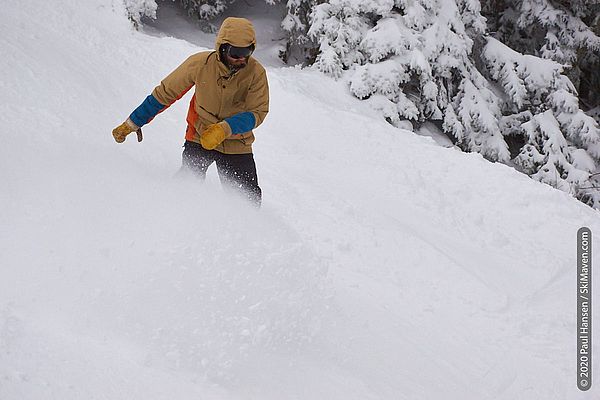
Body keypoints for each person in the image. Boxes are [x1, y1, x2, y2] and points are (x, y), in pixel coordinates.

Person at [112, 17, 269, 206]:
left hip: (237, 141)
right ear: (222, 48)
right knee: (187, 185)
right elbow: (164, 93)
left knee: (247, 199)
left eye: (247, 52)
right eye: (236, 52)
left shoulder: (255, 73)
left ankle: (246, 233)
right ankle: (169, 220)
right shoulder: (200, 64)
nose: (242, 58)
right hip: (200, 136)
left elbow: (257, 112)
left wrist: (224, 129)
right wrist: (133, 122)